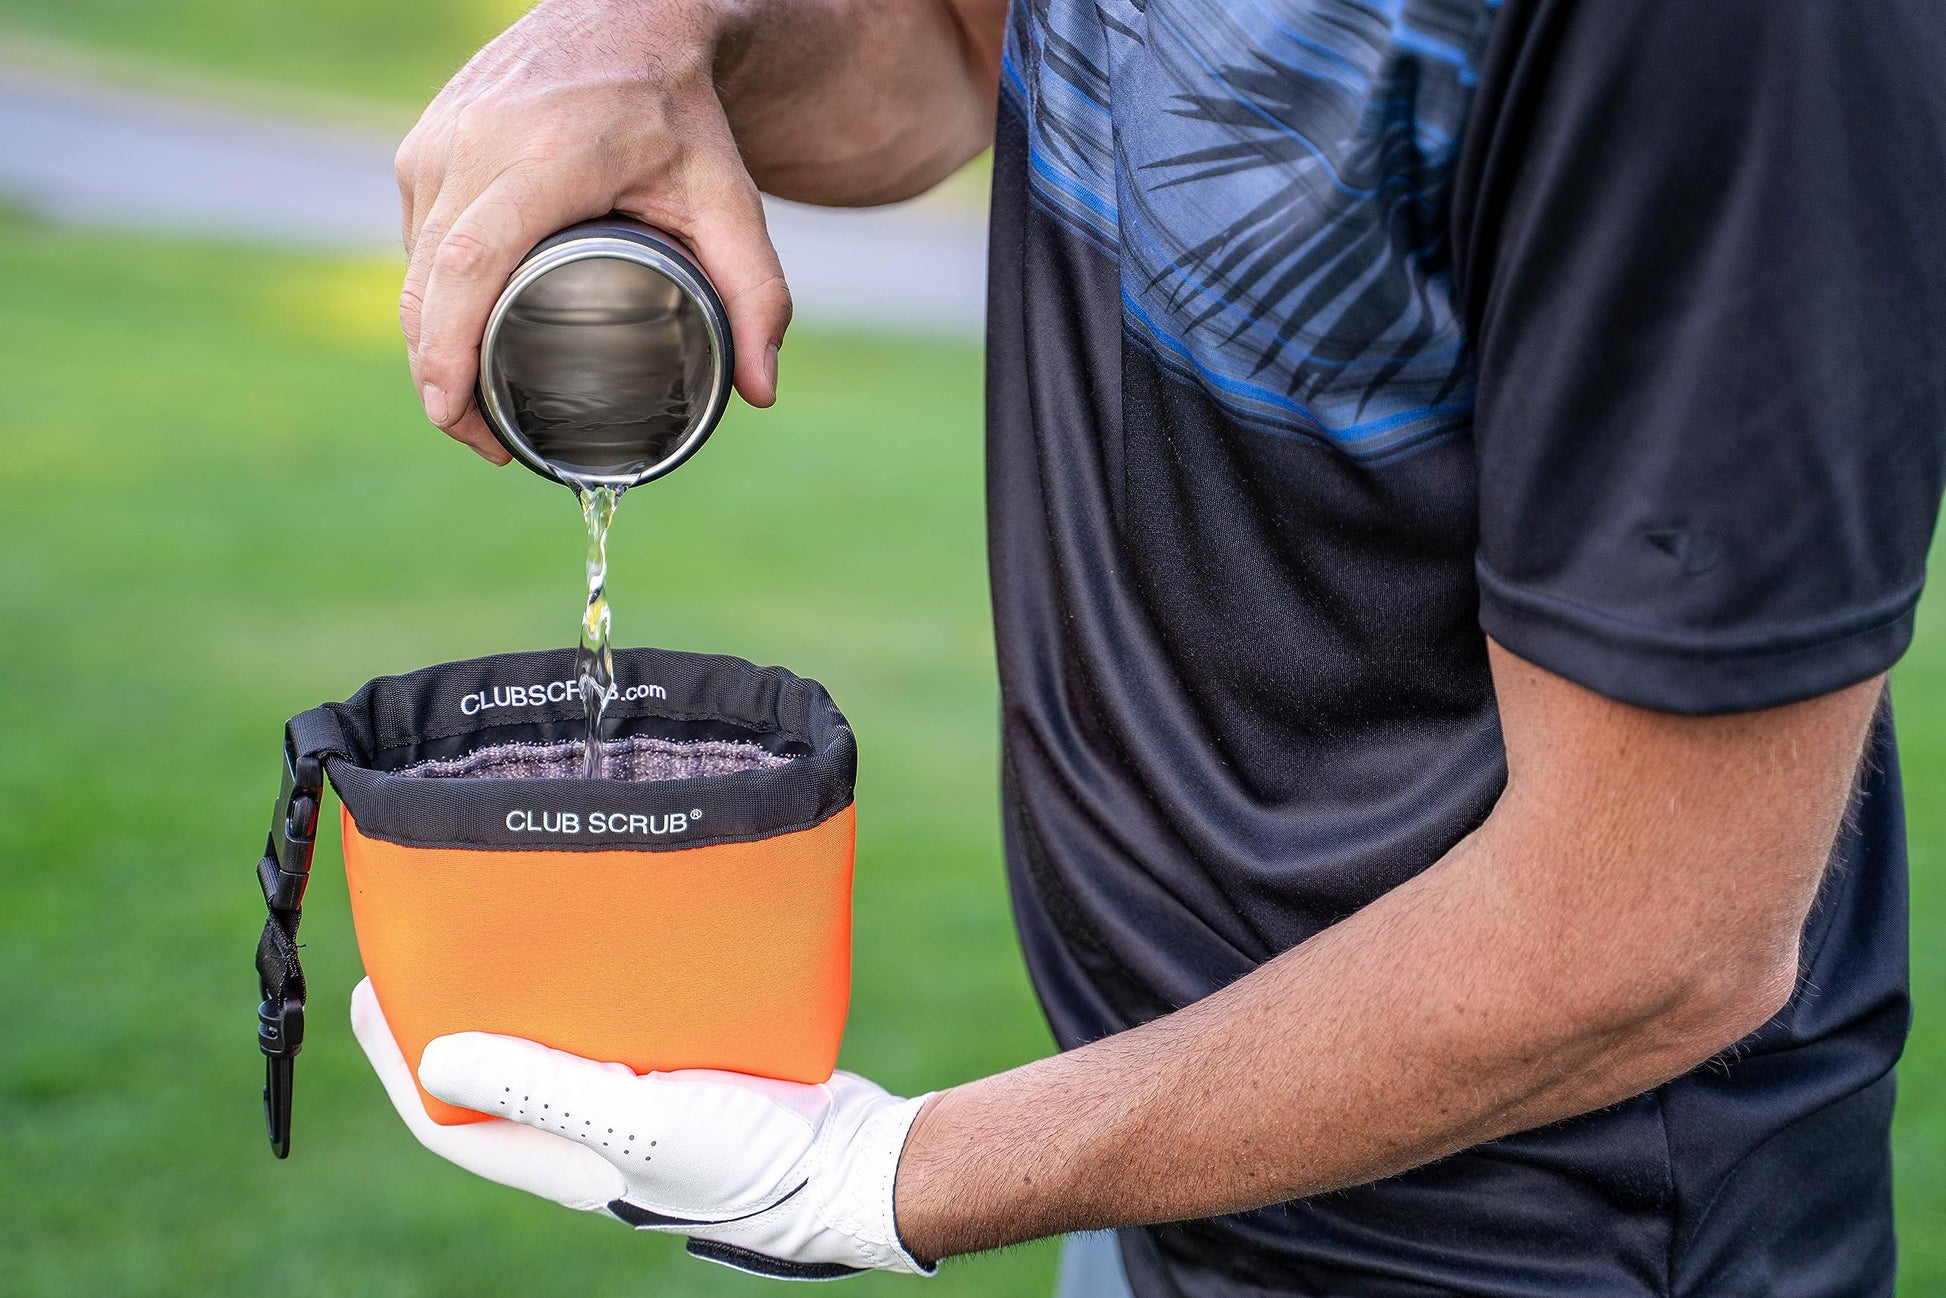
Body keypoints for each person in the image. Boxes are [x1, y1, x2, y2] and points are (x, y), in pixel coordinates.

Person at [355, 0, 1946, 1293]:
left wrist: (874, 1177)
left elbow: (1650, 942)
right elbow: (951, 58)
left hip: (1539, 1256)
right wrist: (657, 32)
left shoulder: (1745, 45)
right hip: (1169, 1177)